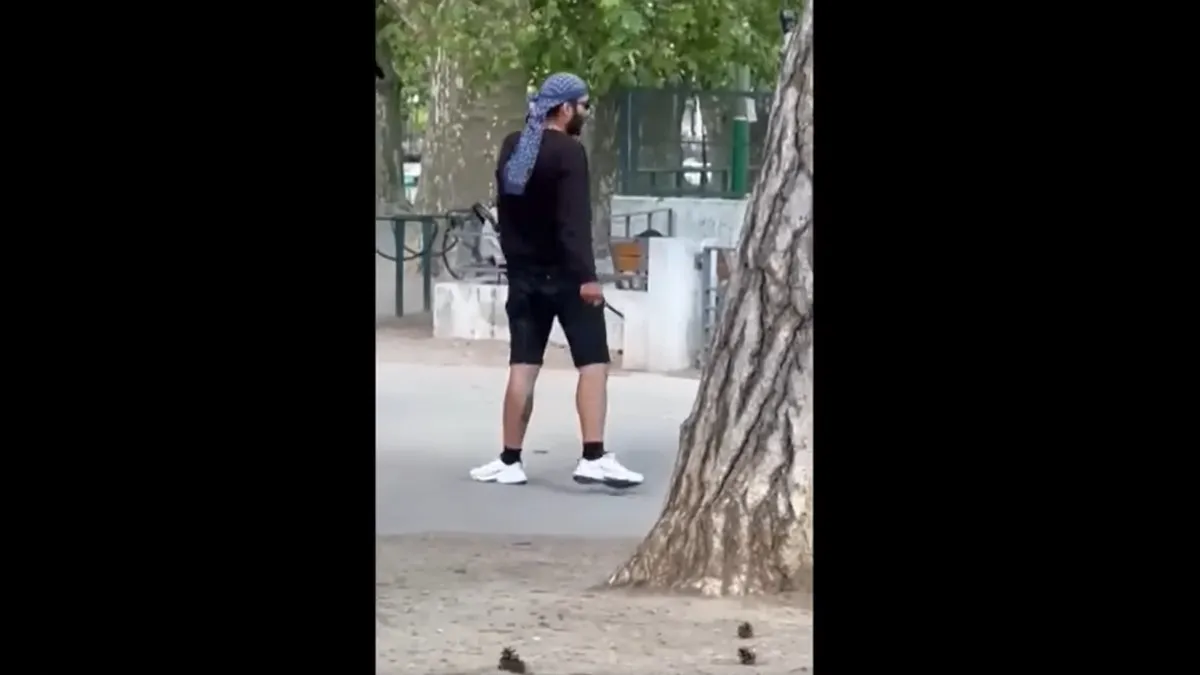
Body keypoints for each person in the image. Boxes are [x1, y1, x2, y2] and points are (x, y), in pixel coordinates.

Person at [468, 73, 644, 489]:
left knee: (522, 367)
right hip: (568, 277)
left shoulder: (514, 146)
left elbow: (507, 213)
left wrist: (518, 264)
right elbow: (573, 222)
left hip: (524, 278)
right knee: (594, 364)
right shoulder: (569, 153)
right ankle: (593, 457)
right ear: (565, 109)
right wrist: (588, 277)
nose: (586, 113)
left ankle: (510, 460)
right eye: (584, 106)